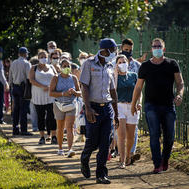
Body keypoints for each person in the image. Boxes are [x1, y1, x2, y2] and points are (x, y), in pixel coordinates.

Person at [131, 38, 184, 173]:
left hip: (168, 105)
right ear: (151, 49)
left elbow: (180, 83)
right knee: (154, 134)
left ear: (164, 49)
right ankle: (157, 164)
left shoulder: (172, 64)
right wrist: (134, 103)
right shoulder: (145, 66)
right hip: (151, 106)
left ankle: (165, 160)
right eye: (154, 46)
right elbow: (138, 87)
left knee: (170, 136)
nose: (157, 48)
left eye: (159, 46)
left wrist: (179, 94)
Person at [80, 38, 119, 184]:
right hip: (93, 108)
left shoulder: (110, 65)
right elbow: (84, 86)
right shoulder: (89, 64)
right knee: (93, 141)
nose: (115, 53)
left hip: (107, 109)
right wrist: (88, 107)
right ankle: (84, 158)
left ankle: (101, 174)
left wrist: (116, 114)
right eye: (114, 50)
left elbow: (113, 90)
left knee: (105, 143)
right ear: (105, 50)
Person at [113, 55, 141, 168]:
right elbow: (113, 89)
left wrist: (139, 102)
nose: (122, 63)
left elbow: (139, 90)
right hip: (119, 106)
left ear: (128, 63)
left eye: (124, 61)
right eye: (119, 62)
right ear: (116, 64)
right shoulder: (114, 77)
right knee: (121, 135)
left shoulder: (133, 76)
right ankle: (122, 160)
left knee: (131, 136)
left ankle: (129, 156)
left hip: (132, 106)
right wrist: (115, 73)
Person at [49, 59, 81, 157]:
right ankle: (60, 148)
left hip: (71, 104)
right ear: (60, 67)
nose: (66, 68)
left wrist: (74, 92)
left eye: (68, 66)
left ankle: (70, 149)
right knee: (60, 127)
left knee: (70, 127)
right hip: (59, 105)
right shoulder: (56, 78)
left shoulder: (74, 78)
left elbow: (80, 92)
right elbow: (51, 93)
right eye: (64, 66)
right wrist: (63, 93)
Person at [29, 50, 57, 144]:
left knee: (52, 116)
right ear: (38, 58)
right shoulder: (34, 68)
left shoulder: (51, 67)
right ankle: (42, 137)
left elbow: (57, 77)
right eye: (41, 57)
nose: (43, 58)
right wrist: (42, 86)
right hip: (38, 96)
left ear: (48, 57)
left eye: (44, 56)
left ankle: (53, 136)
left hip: (51, 96)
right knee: (40, 117)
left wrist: (52, 87)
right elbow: (31, 80)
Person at [9, 47, 32, 136]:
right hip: (23, 87)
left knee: (16, 109)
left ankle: (15, 129)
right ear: (25, 54)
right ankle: (23, 129)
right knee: (24, 109)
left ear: (19, 54)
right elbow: (28, 77)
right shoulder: (27, 63)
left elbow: (10, 76)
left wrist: (11, 86)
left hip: (15, 87)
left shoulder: (13, 63)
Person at [29, 57, 39, 132]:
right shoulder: (40, 71)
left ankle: (35, 126)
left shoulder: (30, 70)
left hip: (32, 93)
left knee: (33, 111)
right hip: (40, 93)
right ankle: (39, 126)